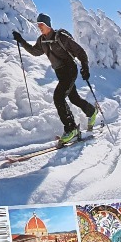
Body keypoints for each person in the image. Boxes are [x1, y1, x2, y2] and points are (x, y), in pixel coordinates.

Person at [13, 13, 97, 145]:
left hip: (70, 70)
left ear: (48, 25)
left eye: (41, 24)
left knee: (58, 97)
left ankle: (71, 128)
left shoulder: (61, 37)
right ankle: (91, 111)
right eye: (38, 24)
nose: (39, 26)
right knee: (73, 98)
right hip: (60, 73)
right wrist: (21, 41)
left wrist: (85, 67)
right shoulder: (42, 40)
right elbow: (35, 52)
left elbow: (80, 52)